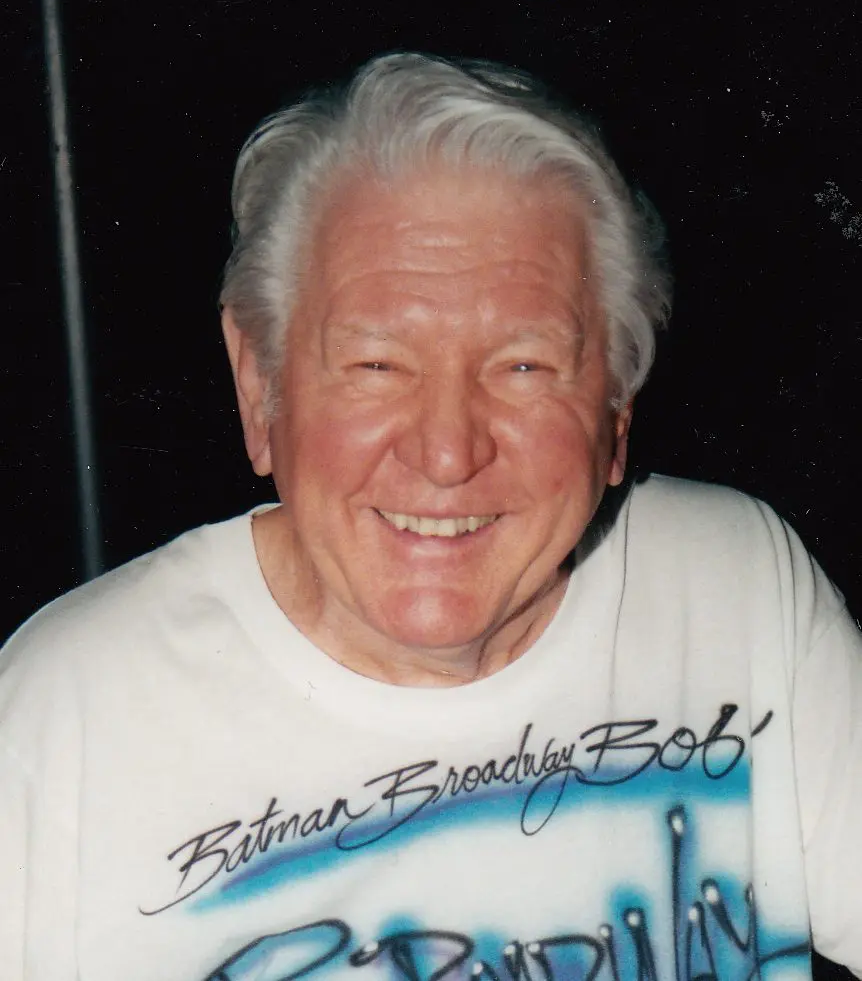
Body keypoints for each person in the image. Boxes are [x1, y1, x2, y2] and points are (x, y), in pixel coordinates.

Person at [1, 52, 860, 981]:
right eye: (377, 365)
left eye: (524, 366)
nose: (448, 453)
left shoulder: (738, 592)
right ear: (261, 386)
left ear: (617, 408)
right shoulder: (69, 714)